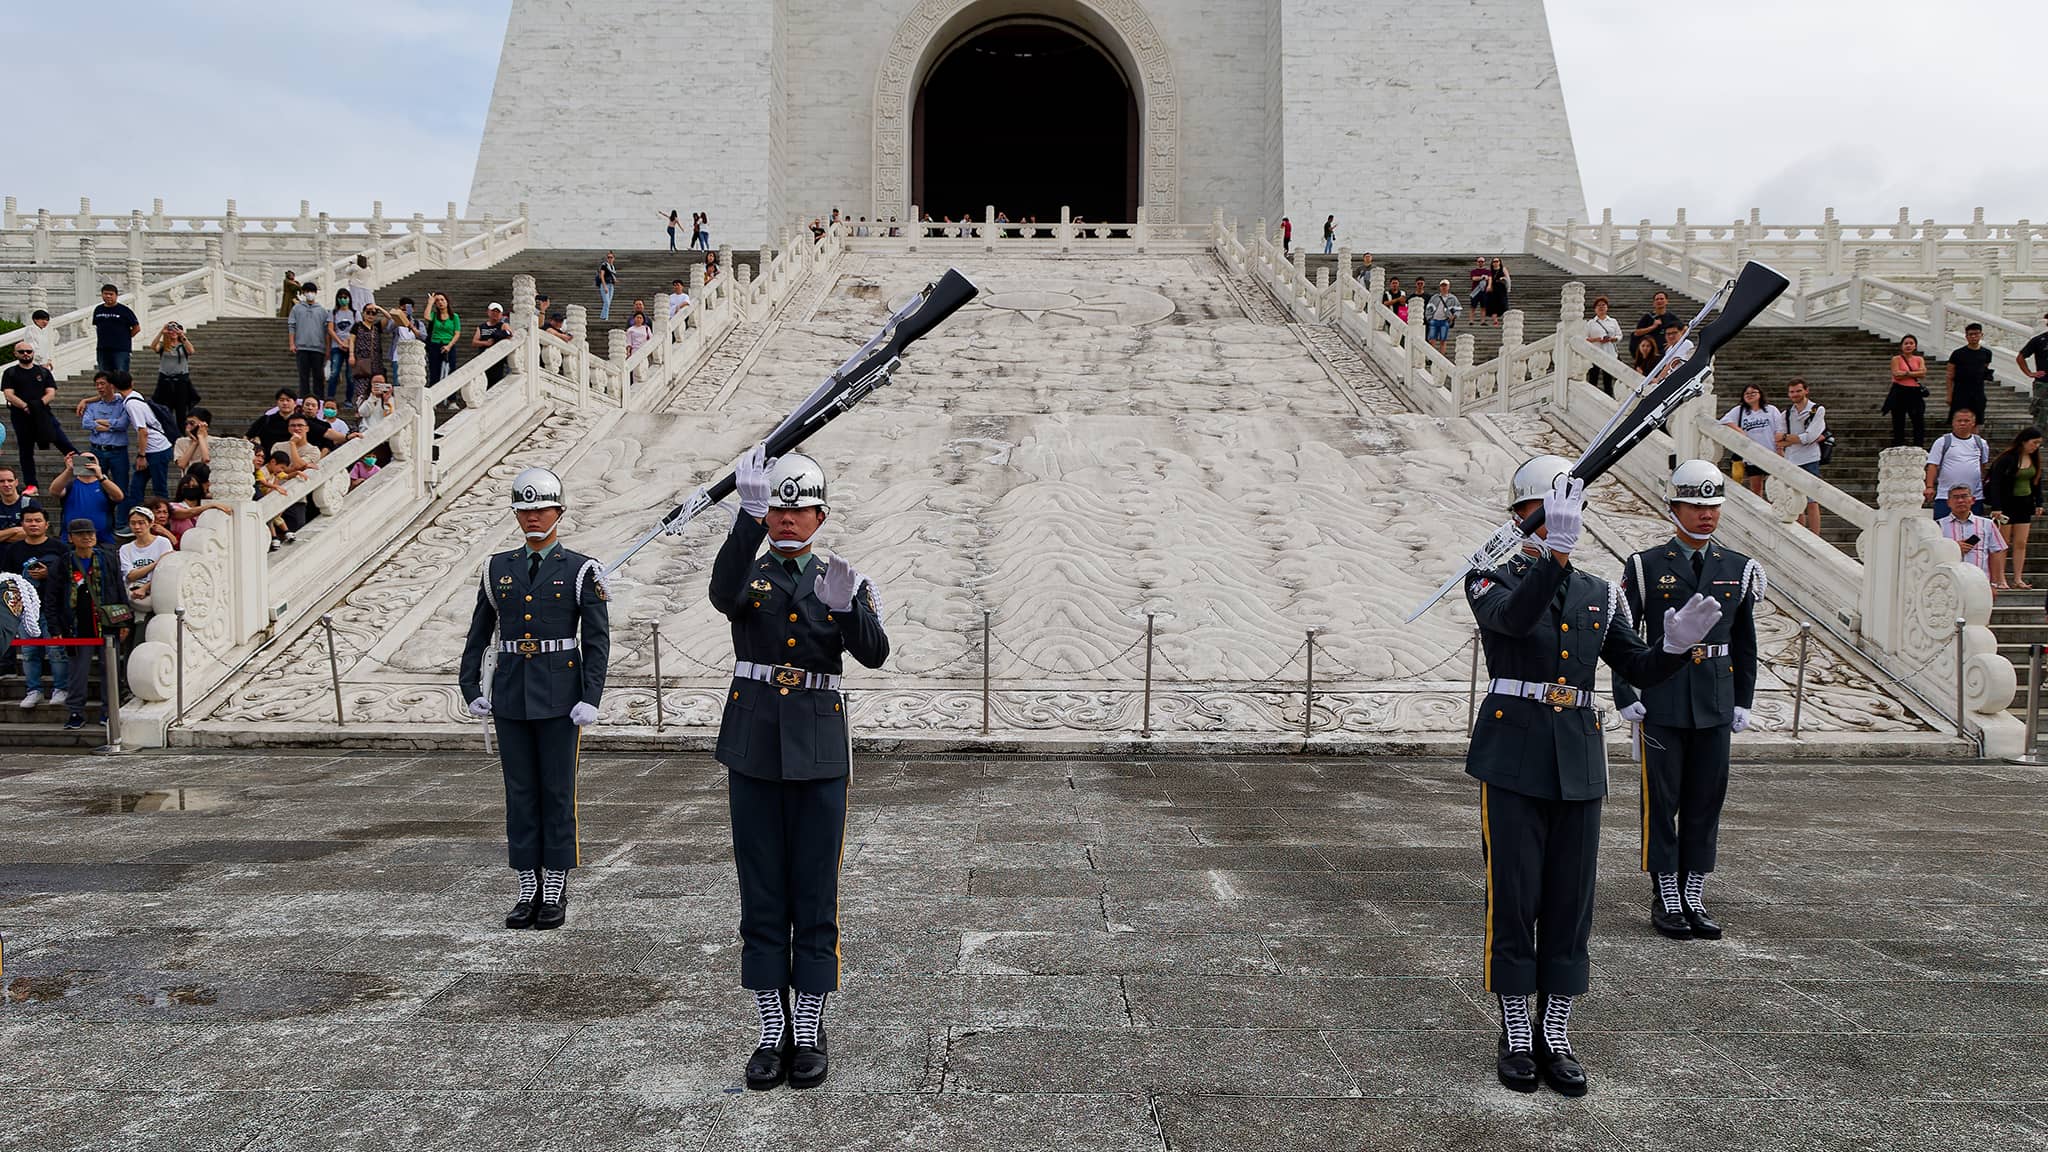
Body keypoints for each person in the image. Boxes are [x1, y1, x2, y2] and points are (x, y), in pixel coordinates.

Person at [1466, 456, 1719, 1098]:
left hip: (1578, 756)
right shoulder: (1488, 575)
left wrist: (1674, 647)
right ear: (1523, 515)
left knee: (1572, 900)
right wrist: (1552, 556)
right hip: (1512, 753)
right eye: (1547, 513)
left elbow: (1636, 665)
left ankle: (1555, 1030)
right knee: (1514, 894)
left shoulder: (1601, 592)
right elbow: (1513, 620)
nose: (1559, 522)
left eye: (1567, 513)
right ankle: (1516, 1030)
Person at [706, 445, 889, 1091]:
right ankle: (770, 1029)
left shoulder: (844, 578)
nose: (787, 518)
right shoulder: (747, 574)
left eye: (799, 509)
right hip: (754, 746)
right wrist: (743, 518)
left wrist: (845, 609)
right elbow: (720, 594)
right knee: (761, 892)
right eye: (776, 510)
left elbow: (875, 654)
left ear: (820, 516)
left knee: (814, 892)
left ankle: (807, 1027)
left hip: (817, 751)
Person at [1615, 459, 1761, 943]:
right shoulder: (1645, 566)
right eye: (1696, 506)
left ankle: (1693, 891)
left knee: (1706, 799)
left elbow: (1745, 641)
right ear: (1673, 508)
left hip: (1715, 697)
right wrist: (1625, 692)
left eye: (1713, 506)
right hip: (1663, 695)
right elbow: (1623, 635)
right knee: (1662, 800)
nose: (1706, 514)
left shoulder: (1738, 567)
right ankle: (1666, 894)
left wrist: (1743, 699)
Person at [459, 467, 611, 931]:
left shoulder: (581, 569)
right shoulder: (496, 568)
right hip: (511, 695)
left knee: (557, 793)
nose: (532, 517)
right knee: (520, 793)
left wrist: (591, 696)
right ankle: (528, 885)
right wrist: (471, 689)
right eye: (524, 510)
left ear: (559, 511)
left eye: (541, 509)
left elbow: (597, 641)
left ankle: (555, 885)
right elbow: (478, 634)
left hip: (561, 698)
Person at [52, 517, 129, 730]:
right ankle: (75, 711)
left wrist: (125, 620)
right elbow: (53, 596)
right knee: (78, 671)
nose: (87, 537)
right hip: (77, 625)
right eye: (81, 534)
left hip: (108, 622)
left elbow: (119, 588)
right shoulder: (64, 562)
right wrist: (55, 627)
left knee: (110, 669)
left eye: (90, 533)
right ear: (71, 538)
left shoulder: (108, 558)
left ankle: (109, 711)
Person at [5, 506, 68, 707]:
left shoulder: (60, 548)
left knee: (56, 651)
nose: (33, 524)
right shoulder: (13, 550)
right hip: (26, 610)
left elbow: (69, 577)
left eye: (38, 520)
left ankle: (61, 688)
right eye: (29, 520)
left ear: (46, 524)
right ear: (22, 524)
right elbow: (7, 579)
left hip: (53, 608)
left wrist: (49, 574)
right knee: (29, 653)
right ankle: (33, 690)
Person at [4, 341, 74, 493]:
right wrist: (25, 406)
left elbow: (51, 392)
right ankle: (31, 484)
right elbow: (9, 394)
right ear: (15, 354)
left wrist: (38, 406)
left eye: (28, 351)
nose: (26, 354)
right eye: (21, 351)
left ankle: (88, 475)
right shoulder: (10, 373)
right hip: (20, 416)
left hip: (43, 415)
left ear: (33, 353)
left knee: (65, 445)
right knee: (26, 451)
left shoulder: (43, 372)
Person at [1987, 428, 2043, 590]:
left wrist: (2039, 502)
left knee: (2021, 543)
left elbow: (2037, 482)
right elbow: (1996, 483)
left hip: (2025, 504)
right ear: (2024, 441)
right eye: (2034, 443)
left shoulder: (2034, 459)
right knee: (2003, 542)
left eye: (2038, 444)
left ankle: (2018, 578)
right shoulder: (2007, 459)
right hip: (2007, 504)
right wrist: (1996, 506)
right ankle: (2001, 577)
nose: (2035, 446)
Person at [115, 371, 175, 512]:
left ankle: (163, 517)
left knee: (159, 489)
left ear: (115, 386)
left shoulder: (131, 404)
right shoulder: (135, 395)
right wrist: (87, 400)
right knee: (136, 487)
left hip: (156, 449)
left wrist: (141, 456)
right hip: (154, 448)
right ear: (132, 383)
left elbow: (143, 431)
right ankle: (138, 516)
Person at [1776, 378, 1827, 535]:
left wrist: (1788, 438)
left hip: (1810, 459)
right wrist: (1800, 438)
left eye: (1798, 391)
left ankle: (1815, 535)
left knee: (1812, 501)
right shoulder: (1786, 413)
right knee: (1795, 500)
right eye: (1792, 392)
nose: (1795, 394)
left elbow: (1810, 437)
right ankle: (1800, 534)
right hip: (1791, 459)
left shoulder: (1817, 410)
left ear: (1806, 390)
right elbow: (1778, 439)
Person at [78, 372, 134, 503]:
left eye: (102, 384)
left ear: (111, 385)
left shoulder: (123, 403)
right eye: (97, 384)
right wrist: (110, 425)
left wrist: (98, 421)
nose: (99, 387)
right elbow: (86, 423)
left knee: (122, 487)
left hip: (118, 451)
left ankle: (121, 516)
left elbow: (122, 424)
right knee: (90, 485)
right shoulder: (92, 405)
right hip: (96, 450)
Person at [1925, 407, 1990, 520]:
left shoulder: (1981, 443)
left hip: (1974, 496)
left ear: (1973, 423)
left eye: (1966, 421)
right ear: (1953, 422)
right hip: (1946, 495)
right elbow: (1933, 465)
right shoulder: (1942, 442)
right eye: (1959, 421)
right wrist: (1929, 486)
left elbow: (1982, 465)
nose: (1962, 423)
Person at [1938, 482, 2007, 582]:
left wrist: (1995, 583)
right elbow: (1932, 554)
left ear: (1973, 500)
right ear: (1948, 502)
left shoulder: (1987, 524)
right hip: (1949, 581)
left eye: (1964, 496)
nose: (1960, 500)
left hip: (1980, 580)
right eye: (1956, 497)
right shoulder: (1938, 526)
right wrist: (1954, 548)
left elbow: (1996, 552)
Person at [1720, 383, 1781, 496]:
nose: (1750, 395)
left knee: (1776, 488)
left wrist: (1780, 448)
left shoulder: (1771, 410)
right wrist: (1739, 431)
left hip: (1771, 452)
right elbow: (1724, 421)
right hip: (1752, 454)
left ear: (1760, 394)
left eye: (1753, 392)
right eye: (1747, 393)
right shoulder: (1740, 410)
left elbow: (1779, 429)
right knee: (1756, 488)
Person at [146, 322, 200, 432]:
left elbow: (191, 351)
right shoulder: (164, 345)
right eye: (171, 330)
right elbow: (153, 347)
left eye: (176, 329)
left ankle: (182, 432)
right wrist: (162, 332)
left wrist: (182, 335)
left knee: (181, 411)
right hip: (165, 381)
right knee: (166, 410)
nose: (173, 332)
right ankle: (168, 433)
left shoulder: (183, 345)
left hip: (180, 381)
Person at [118, 506, 172, 613]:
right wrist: (157, 563)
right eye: (133, 523)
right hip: (134, 593)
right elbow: (131, 576)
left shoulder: (163, 543)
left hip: (158, 591)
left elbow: (166, 573)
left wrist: (145, 588)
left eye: (141, 523)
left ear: (151, 523)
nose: (137, 527)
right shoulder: (125, 549)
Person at [286, 286, 330, 398]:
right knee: (303, 377)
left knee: (318, 377)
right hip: (302, 348)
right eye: (307, 291)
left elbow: (327, 331)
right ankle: (303, 400)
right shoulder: (297, 309)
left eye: (312, 291)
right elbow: (292, 326)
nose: (310, 294)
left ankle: (319, 400)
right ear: (304, 293)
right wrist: (292, 343)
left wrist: (327, 348)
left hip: (318, 348)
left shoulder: (322, 311)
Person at [1886, 334, 1928, 448]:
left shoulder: (1919, 359)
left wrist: (1906, 373)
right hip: (1899, 391)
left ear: (1915, 346)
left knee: (1918, 420)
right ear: (1901, 346)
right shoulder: (1896, 359)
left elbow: (1923, 373)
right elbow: (1896, 374)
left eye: (1911, 343)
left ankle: (1918, 445)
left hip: (1915, 391)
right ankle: (1898, 444)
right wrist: (1914, 373)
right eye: (1906, 343)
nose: (1908, 346)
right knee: (1898, 420)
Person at [1946, 323, 1994, 423]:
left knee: (1976, 421)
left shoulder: (1986, 353)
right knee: (1958, 420)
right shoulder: (1957, 353)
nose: (1973, 337)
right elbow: (1950, 375)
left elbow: (1984, 368)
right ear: (1966, 336)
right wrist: (1949, 395)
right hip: (1960, 392)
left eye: (1976, 334)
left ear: (1981, 335)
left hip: (1978, 392)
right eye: (1970, 334)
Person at [167, 465, 230, 539]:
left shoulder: (206, 506)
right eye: (186, 487)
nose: (190, 488)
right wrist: (211, 505)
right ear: (181, 489)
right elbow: (189, 513)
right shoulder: (173, 506)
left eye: (194, 486)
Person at [90, 284, 140, 375]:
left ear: (116, 295)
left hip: (120, 349)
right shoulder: (98, 309)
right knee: (104, 375)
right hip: (103, 348)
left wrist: (124, 338)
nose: (108, 296)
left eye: (111, 294)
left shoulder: (124, 310)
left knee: (121, 375)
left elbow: (136, 328)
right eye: (105, 294)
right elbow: (97, 325)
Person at [350, 304, 388, 407]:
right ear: (363, 313)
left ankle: (377, 407)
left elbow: (389, 317)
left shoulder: (376, 327)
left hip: (376, 361)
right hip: (362, 360)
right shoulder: (357, 326)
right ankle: (360, 408)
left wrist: (378, 307)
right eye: (368, 312)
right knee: (361, 386)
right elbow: (352, 341)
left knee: (377, 386)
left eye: (373, 313)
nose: (370, 315)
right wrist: (351, 355)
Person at [325, 289, 360, 403]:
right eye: (341, 297)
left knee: (350, 375)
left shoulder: (355, 313)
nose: (343, 299)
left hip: (351, 347)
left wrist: (348, 342)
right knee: (334, 373)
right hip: (337, 346)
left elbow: (358, 329)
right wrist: (340, 342)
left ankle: (349, 400)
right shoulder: (333, 313)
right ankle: (330, 399)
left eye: (345, 297)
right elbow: (330, 329)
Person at [1583, 297, 1622, 395]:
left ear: (1607, 307)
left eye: (1603, 305)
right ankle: (1591, 396)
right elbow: (1584, 338)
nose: (1601, 307)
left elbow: (1619, 335)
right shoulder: (1591, 323)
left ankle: (1609, 397)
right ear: (1595, 309)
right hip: (1594, 354)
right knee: (1593, 378)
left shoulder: (1613, 321)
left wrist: (1612, 339)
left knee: (1608, 380)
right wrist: (1596, 339)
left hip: (1609, 353)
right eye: (1598, 305)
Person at [245, 388, 298, 453]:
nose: (285, 403)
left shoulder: (302, 421)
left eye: (288, 400)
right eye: (281, 400)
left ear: (295, 403)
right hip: (269, 457)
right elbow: (248, 436)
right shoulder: (266, 419)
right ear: (277, 402)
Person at [426, 294, 463, 385]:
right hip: (435, 345)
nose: (440, 302)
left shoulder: (454, 316)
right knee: (434, 371)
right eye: (437, 300)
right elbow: (427, 317)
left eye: (442, 300)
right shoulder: (434, 315)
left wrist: (449, 346)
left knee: (450, 370)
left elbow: (457, 333)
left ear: (447, 301)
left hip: (449, 344)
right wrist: (430, 303)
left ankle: (450, 393)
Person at [2020, 312, 2048, 432]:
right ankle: (2038, 439)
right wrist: (2029, 373)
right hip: (2043, 384)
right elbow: (2021, 357)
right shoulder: (2039, 340)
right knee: (2041, 415)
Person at [473, 304, 513, 387]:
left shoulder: (503, 325)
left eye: (498, 312)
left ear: (501, 314)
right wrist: (485, 343)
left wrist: (498, 335)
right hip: (484, 358)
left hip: (497, 359)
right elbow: (474, 342)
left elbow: (510, 334)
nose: (495, 314)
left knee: (496, 382)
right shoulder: (482, 327)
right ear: (488, 312)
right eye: (493, 311)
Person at [1424, 280, 1461, 354]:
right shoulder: (1435, 297)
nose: (1444, 287)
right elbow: (1429, 308)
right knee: (1431, 340)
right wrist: (1429, 318)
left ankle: (1442, 357)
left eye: (1445, 285)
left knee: (1443, 340)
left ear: (1448, 287)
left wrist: (1454, 316)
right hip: (1434, 320)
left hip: (1445, 321)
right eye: (1442, 286)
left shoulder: (1453, 298)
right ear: (1440, 287)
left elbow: (1458, 309)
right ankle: (1432, 357)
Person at [0, 466, 31, 544]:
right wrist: (15, 530)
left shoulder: (30, 504)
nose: (6, 484)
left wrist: (3, 535)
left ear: (16, 482)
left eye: (10, 480)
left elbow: (33, 533)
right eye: (1, 481)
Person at [1486, 258, 1511, 323]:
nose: (1495, 263)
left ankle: (1505, 319)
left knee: (1503, 303)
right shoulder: (1490, 270)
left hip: (1501, 288)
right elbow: (1488, 279)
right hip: (1493, 288)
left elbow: (1508, 278)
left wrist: (1508, 288)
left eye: (1497, 261)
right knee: (1493, 304)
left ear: (1499, 262)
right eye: (1494, 261)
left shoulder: (1503, 269)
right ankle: (1495, 320)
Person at [596, 252, 619, 321]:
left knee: (608, 302)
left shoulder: (612, 267)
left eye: (611, 257)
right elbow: (602, 275)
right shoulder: (604, 265)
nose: (610, 259)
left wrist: (615, 280)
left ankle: (604, 316)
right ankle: (604, 317)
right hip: (605, 284)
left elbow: (612, 275)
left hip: (611, 285)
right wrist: (604, 286)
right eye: (608, 257)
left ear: (613, 258)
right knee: (606, 302)